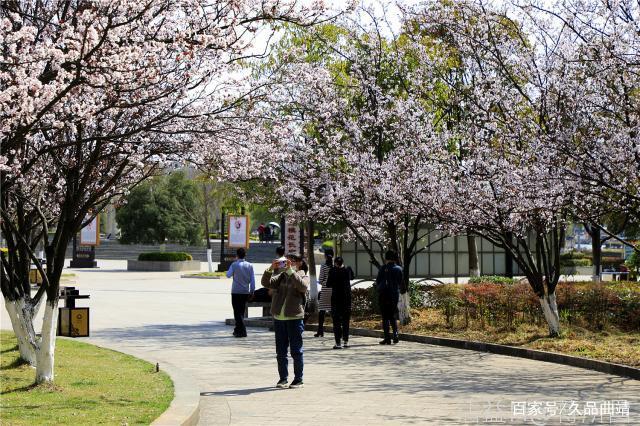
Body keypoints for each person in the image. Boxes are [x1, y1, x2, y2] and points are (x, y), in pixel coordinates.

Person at [261, 253, 309, 389]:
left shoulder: (302, 275)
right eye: (286, 261)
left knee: (296, 350)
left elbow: (303, 287)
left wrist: (290, 271)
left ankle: (298, 379)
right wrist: (271, 268)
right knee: (281, 351)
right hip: (279, 318)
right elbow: (266, 283)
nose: (288, 263)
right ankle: (283, 379)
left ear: (299, 263)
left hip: (294, 318)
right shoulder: (281, 276)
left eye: (292, 261)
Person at [226, 248, 255, 338]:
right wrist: (252, 291)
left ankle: (242, 331)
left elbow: (228, 275)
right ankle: (237, 330)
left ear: (237, 255)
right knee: (241, 312)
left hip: (235, 291)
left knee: (237, 312)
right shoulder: (250, 265)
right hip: (245, 291)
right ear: (245, 255)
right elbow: (252, 280)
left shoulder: (234, 264)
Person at [375, 250, 402, 345]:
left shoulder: (383, 268)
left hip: (384, 294)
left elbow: (378, 281)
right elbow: (401, 283)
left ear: (386, 258)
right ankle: (396, 335)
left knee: (385, 316)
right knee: (393, 315)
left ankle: (387, 338)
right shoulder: (399, 269)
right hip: (394, 294)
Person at [328, 256, 352, 349]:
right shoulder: (347, 269)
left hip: (336, 298)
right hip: (347, 298)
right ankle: (346, 341)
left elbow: (328, 283)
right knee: (346, 321)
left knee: (336, 321)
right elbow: (352, 277)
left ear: (335, 263)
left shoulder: (332, 271)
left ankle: (338, 343)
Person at [315, 248, 334, 337]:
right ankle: (337, 330)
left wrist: (324, 283)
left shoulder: (324, 265)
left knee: (322, 311)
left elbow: (321, 280)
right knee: (333, 311)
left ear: (325, 256)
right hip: (334, 290)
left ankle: (320, 331)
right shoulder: (336, 264)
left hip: (325, 290)